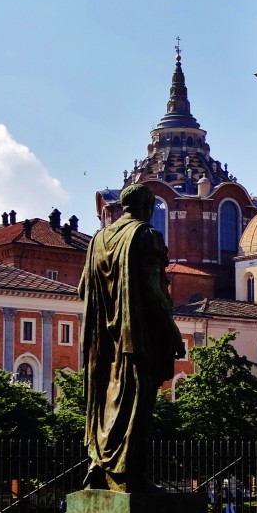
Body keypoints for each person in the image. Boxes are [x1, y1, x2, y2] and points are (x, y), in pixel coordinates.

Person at [80, 184, 186, 492]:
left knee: (106, 401)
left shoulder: (97, 241)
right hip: (137, 337)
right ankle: (130, 478)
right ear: (148, 207)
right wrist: (172, 331)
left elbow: (82, 289)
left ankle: (100, 468)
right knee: (136, 404)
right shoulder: (146, 236)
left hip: (103, 342)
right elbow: (154, 291)